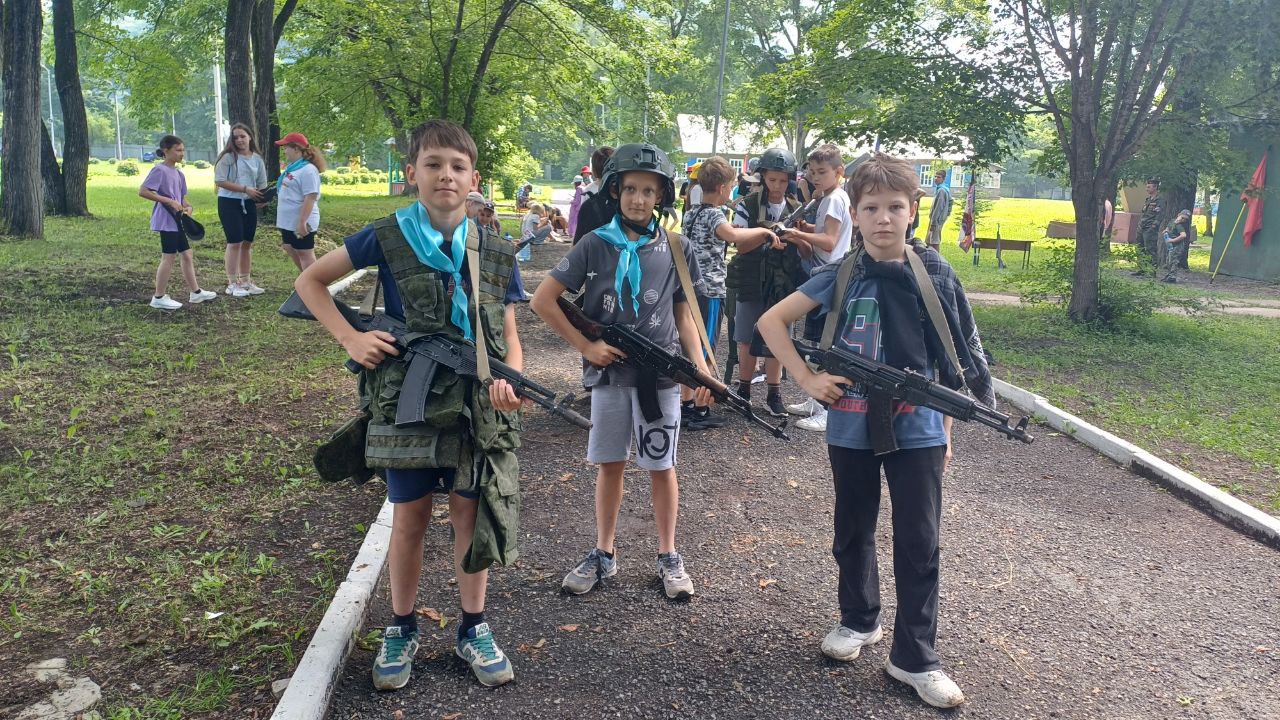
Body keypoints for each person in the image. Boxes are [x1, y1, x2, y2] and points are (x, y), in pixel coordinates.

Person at [293, 119, 526, 691]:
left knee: (470, 514)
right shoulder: (387, 236)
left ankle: (473, 627)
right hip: (408, 406)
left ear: (474, 179)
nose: (446, 175)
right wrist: (351, 339)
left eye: (457, 166)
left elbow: (508, 330)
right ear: (411, 173)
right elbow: (310, 284)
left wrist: (512, 381)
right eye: (433, 164)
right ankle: (401, 628)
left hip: (473, 406)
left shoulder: (496, 251)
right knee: (411, 517)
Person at [757, 153, 995, 710]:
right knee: (853, 528)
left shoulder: (934, 274)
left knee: (919, 542)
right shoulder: (841, 274)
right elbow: (771, 321)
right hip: (850, 427)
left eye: (895, 207)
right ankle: (858, 620)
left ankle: (915, 658)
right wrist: (807, 379)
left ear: (912, 212)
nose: (883, 218)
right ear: (856, 214)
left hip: (920, 431)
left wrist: (947, 428)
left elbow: (952, 357)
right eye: (870, 208)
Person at [530, 142, 713, 601]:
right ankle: (603, 553)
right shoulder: (595, 244)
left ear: (661, 196)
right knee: (610, 465)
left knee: (662, 466)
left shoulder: (677, 247)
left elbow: (685, 315)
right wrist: (586, 346)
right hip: (610, 377)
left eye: (649, 191)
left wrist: (700, 371)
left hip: (661, 377)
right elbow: (542, 300)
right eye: (630, 189)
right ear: (615, 190)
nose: (638, 198)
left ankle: (668, 555)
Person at [680, 156, 777, 430]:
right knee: (705, 351)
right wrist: (764, 232)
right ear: (723, 188)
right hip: (709, 290)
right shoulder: (715, 214)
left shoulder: (691, 212)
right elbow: (731, 237)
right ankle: (700, 408)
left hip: (688, 289)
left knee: (689, 349)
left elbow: (718, 234)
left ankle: (686, 403)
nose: (732, 192)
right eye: (732, 187)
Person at [776, 144, 855, 432]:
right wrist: (806, 230)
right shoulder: (831, 198)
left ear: (839, 171)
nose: (815, 177)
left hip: (829, 280)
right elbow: (827, 233)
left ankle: (827, 409)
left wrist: (794, 233)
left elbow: (830, 242)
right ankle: (816, 401)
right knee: (817, 343)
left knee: (825, 345)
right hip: (823, 277)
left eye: (822, 172)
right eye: (812, 172)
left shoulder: (833, 199)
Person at [728, 147, 804, 417]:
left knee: (778, 339)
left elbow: (808, 251)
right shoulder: (747, 205)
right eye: (772, 180)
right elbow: (740, 244)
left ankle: (774, 394)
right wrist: (766, 234)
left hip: (783, 282)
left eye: (783, 180)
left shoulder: (797, 209)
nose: (777, 186)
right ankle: (744, 391)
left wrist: (794, 236)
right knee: (746, 338)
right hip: (751, 278)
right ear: (763, 177)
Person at [138, 135, 217, 310]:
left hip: (177, 220)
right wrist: (168, 200)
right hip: (166, 220)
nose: (182, 153)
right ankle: (158, 297)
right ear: (166, 151)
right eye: (178, 150)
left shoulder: (179, 174)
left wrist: (188, 208)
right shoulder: (159, 170)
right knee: (168, 257)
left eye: (183, 150)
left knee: (187, 254)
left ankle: (196, 293)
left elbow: (182, 199)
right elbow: (143, 191)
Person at [214, 123, 269, 297]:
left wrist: (262, 199)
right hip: (229, 202)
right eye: (236, 137)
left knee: (247, 243)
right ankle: (231, 283)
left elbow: (262, 184)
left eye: (242, 136)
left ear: (250, 137)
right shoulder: (228, 158)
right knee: (235, 242)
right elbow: (220, 181)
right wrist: (245, 189)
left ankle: (245, 281)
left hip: (249, 203)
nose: (239, 140)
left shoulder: (257, 159)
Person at [275, 131, 325, 272]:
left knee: (305, 253)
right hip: (288, 220)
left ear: (296, 149)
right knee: (289, 247)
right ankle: (305, 277)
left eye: (286, 147)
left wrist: (302, 222)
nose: (284, 151)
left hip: (302, 220)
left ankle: (314, 281)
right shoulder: (293, 168)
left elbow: (310, 197)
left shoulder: (308, 170)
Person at [573, 146, 616, 244]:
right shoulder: (623, 190)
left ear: (594, 169)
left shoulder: (588, 190)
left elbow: (583, 223)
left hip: (594, 241)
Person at [1134, 179, 1163, 274]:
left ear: (1155, 187)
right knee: (1139, 248)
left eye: (1149, 187)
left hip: (1150, 228)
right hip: (1142, 226)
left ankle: (1152, 270)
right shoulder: (1148, 200)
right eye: (1147, 187)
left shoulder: (1159, 200)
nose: (1146, 189)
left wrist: (1153, 227)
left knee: (1150, 249)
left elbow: (1159, 215)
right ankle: (1141, 268)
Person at [924, 169, 953, 251]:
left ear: (943, 179)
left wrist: (934, 222)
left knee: (934, 241)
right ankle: (930, 255)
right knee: (929, 240)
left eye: (939, 177)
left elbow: (938, 208)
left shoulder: (941, 190)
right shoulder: (942, 189)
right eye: (935, 176)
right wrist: (947, 214)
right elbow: (951, 202)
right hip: (938, 219)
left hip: (937, 220)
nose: (936, 178)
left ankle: (936, 256)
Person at [1161, 209, 1192, 283]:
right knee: (1169, 260)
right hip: (1171, 246)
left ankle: (1172, 276)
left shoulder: (1179, 226)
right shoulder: (1172, 221)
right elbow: (1168, 228)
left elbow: (1183, 235)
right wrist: (1165, 231)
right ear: (1178, 215)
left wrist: (1172, 240)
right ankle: (1169, 274)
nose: (1183, 220)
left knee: (1173, 260)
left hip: (1177, 246)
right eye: (1182, 217)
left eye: (1185, 219)